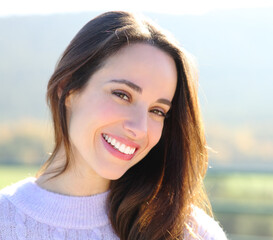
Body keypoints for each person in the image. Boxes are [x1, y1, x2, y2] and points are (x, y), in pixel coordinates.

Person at [0, 11, 227, 239]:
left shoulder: (191, 233)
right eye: (122, 95)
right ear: (68, 89)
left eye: (157, 111)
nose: (139, 128)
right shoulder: (5, 221)